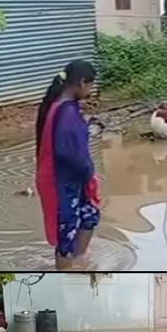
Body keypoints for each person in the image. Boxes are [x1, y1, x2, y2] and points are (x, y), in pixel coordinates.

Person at [35, 60, 101, 269]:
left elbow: (69, 142)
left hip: (72, 178)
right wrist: (88, 173)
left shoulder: (66, 108)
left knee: (90, 216)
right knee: (66, 233)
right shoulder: (66, 112)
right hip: (62, 182)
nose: (90, 91)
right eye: (90, 86)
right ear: (82, 83)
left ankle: (79, 260)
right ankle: (65, 270)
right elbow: (67, 151)